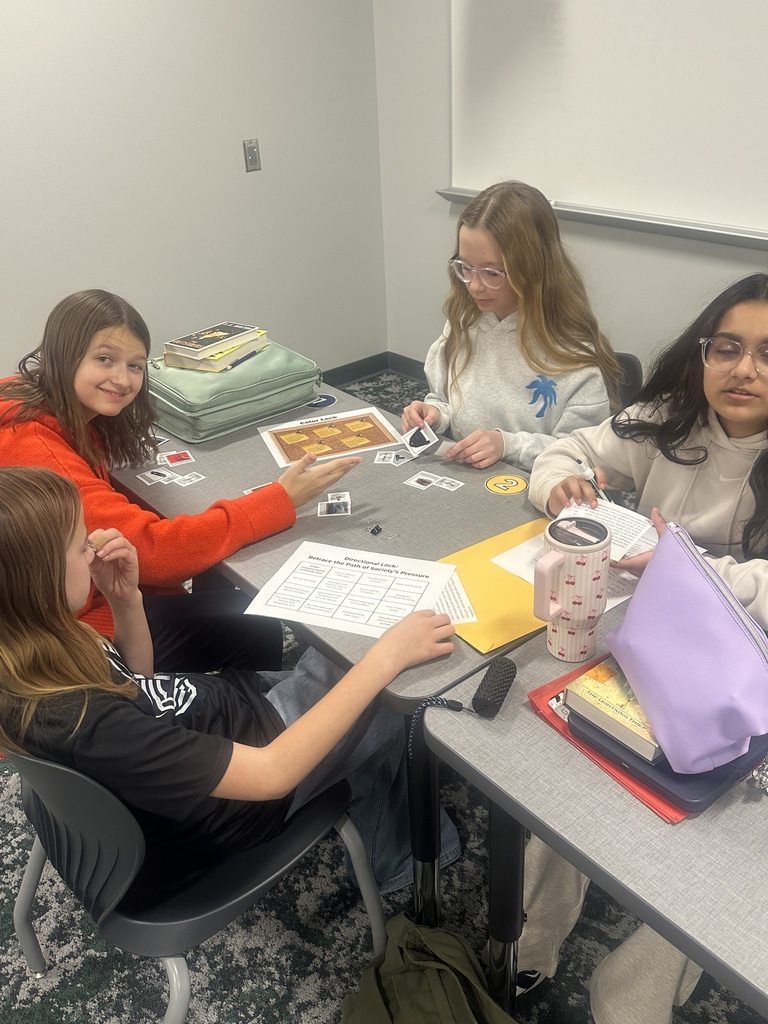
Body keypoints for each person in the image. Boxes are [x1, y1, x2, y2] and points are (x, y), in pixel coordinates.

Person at [0, 465, 458, 895]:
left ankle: (379, 805)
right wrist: (383, 660)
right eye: (81, 546)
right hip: (254, 779)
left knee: (349, 654)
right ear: (38, 579)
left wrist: (126, 601)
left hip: (223, 716)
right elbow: (272, 774)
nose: (95, 547)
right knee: (393, 670)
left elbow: (136, 683)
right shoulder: (81, 720)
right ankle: (398, 857)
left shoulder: (34, 640)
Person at [523, 272, 768, 1024]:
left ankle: (629, 999)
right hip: (648, 644)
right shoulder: (668, 417)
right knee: (564, 767)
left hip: (745, 673)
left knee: (716, 845)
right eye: (727, 347)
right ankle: (535, 944)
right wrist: (561, 482)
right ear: (703, 353)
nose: (745, 369)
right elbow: (566, 448)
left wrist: (692, 570)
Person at [0, 290, 361, 672]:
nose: (122, 379)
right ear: (64, 355)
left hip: (58, 605)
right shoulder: (39, 450)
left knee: (211, 571)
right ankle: (255, 714)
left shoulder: (26, 396)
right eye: (104, 359)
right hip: (64, 635)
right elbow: (154, 555)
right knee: (250, 623)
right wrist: (279, 500)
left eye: (136, 365)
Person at [402, 180, 621, 471]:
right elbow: (446, 399)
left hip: (536, 489)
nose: (475, 286)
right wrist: (434, 414)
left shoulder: (572, 355)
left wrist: (508, 445)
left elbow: (584, 453)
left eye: (493, 272)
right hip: (471, 480)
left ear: (533, 269)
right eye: (465, 267)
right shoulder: (464, 323)